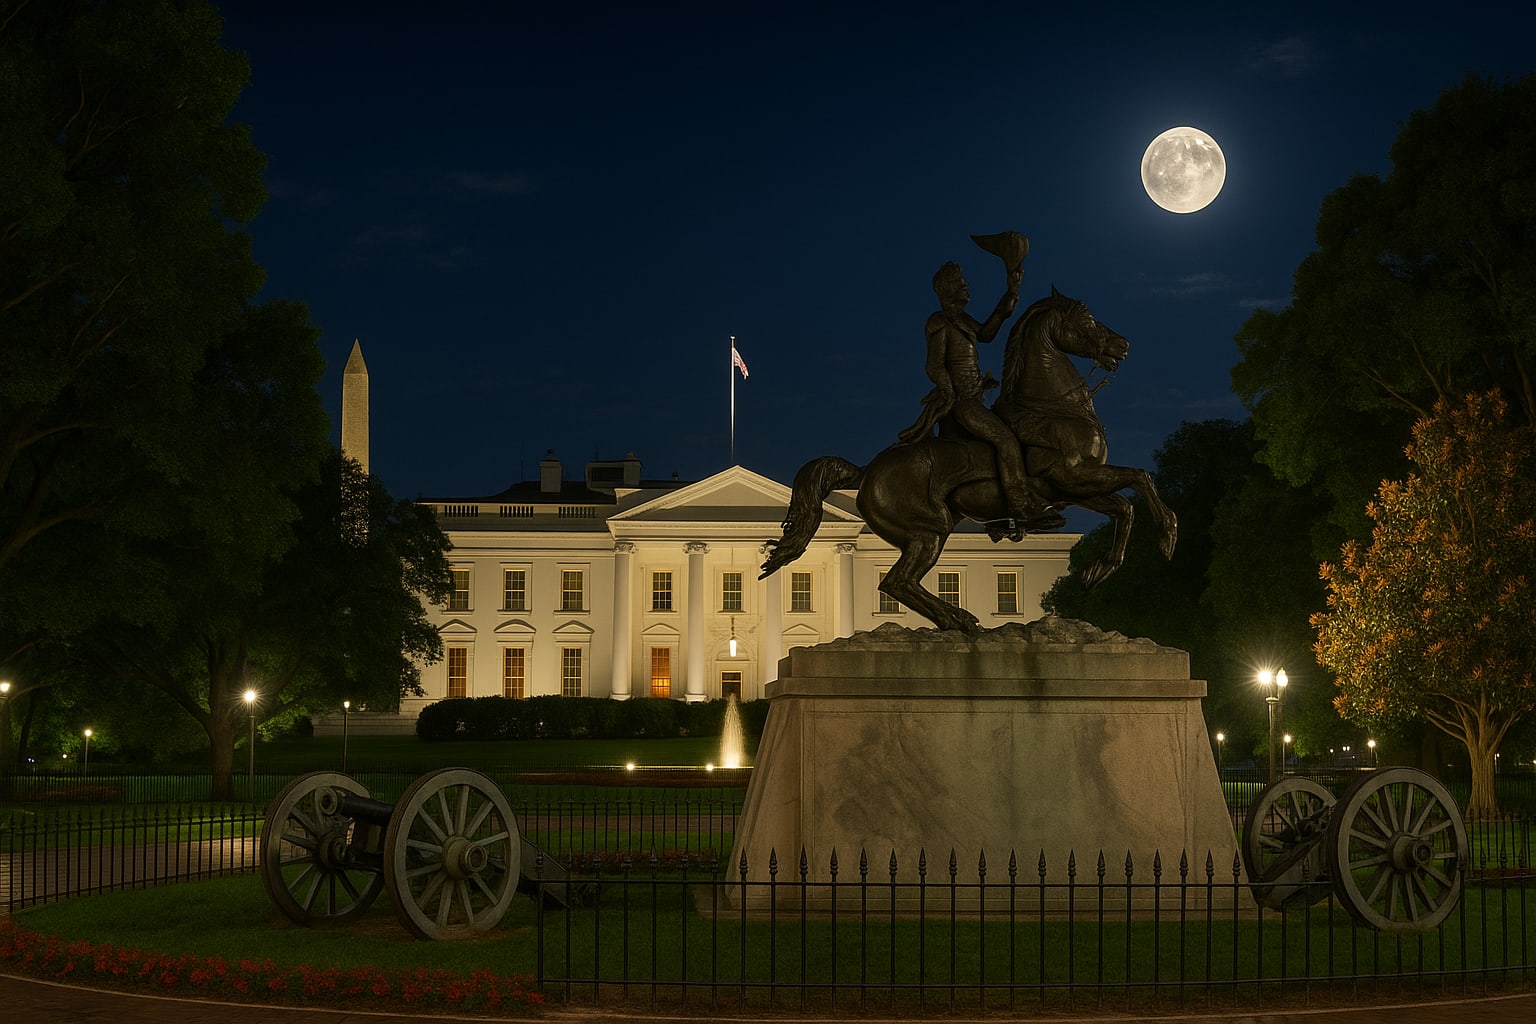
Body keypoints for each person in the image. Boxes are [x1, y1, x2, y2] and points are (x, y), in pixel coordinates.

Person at [898, 259, 1054, 536]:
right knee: (1005, 440)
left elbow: (988, 332)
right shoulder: (940, 321)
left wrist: (1011, 292)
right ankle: (1021, 503)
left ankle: (997, 517)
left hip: (974, 398)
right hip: (963, 403)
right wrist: (948, 389)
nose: (966, 288)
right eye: (960, 284)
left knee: (1000, 442)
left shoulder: (962, 320)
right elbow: (934, 365)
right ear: (946, 289)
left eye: (966, 283)